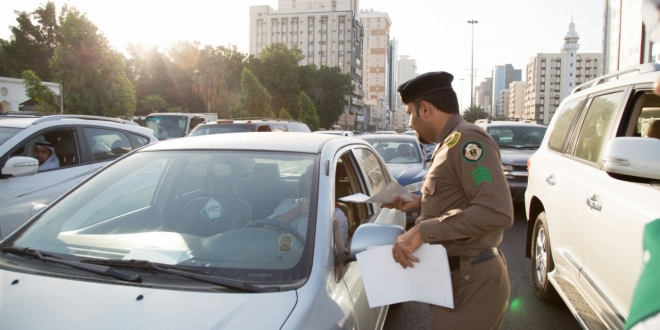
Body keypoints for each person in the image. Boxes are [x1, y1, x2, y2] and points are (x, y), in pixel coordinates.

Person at [383, 71, 514, 329]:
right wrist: (419, 201)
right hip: (457, 280)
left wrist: (422, 231)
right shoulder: (449, 142)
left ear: (426, 109)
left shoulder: (468, 140)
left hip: (472, 282)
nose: (410, 122)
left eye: (410, 112)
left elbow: (496, 211)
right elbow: (459, 194)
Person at [267, 165, 348, 242]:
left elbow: (339, 254)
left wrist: (333, 229)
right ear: (306, 181)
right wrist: (297, 212)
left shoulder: (337, 215)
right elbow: (267, 228)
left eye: (324, 180)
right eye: (313, 178)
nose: (319, 183)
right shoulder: (289, 205)